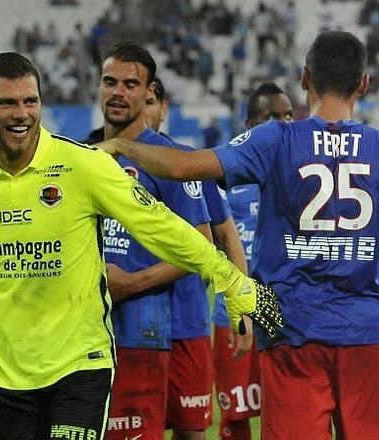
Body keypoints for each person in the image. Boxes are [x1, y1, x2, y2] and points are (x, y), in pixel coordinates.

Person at [98, 31, 379, 439]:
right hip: (368, 334)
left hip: (291, 331)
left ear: (305, 79)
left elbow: (183, 167)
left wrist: (123, 148)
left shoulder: (276, 139)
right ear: (363, 83)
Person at [0, 51, 282, 440]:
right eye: (7, 103)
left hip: (78, 364)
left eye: (31, 101)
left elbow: (160, 225)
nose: (21, 113)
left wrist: (230, 278)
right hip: (3, 369)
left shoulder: (84, 165)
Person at [96, 44, 211, 440]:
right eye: (110, 82)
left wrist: (131, 284)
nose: (118, 92)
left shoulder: (169, 160)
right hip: (83, 336)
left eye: (130, 84)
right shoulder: (84, 156)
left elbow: (201, 249)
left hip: (141, 330)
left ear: (148, 94)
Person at [145, 76, 249, 440]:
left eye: (149, 102)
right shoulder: (100, 161)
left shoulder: (186, 164)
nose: (141, 111)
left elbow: (226, 235)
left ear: (163, 108)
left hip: (186, 326)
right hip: (122, 331)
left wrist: (241, 304)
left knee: (191, 432)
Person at [214, 82, 294, 440]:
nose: (281, 124)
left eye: (287, 115)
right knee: (236, 414)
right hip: (234, 309)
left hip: (287, 307)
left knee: (294, 412)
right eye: (270, 117)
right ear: (248, 124)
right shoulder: (224, 180)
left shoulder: (304, 176)